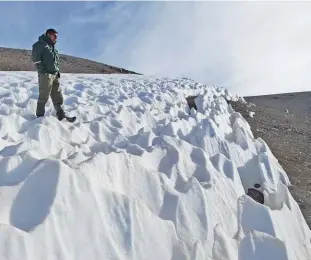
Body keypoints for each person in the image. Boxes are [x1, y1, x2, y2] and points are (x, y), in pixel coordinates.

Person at [31, 29, 75, 122]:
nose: (56, 38)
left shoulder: (53, 48)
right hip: (46, 75)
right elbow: (36, 60)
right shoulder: (40, 44)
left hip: (54, 75)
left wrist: (57, 72)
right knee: (44, 96)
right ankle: (39, 117)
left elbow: (56, 63)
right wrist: (44, 72)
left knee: (57, 96)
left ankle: (61, 115)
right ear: (48, 34)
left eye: (56, 36)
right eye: (54, 35)